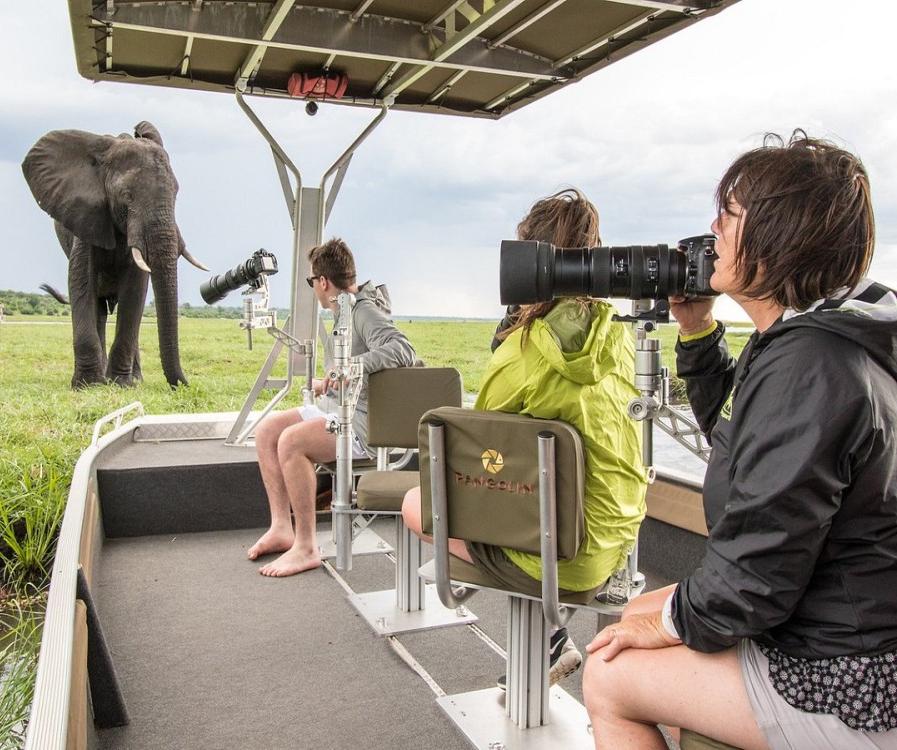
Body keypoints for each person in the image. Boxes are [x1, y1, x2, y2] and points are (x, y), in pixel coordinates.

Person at [582, 132, 897, 750]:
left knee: (608, 675)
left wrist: (673, 623)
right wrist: (697, 330)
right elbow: (742, 438)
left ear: (776, 236)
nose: (712, 230)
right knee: (636, 618)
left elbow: (758, 574)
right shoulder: (821, 339)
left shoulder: (810, 364)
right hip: (836, 621)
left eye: (728, 214)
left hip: (848, 672)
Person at [402, 188, 648, 688]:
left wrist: (515, 328)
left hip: (553, 555)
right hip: (617, 546)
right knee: (536, 502)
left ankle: (546, 638)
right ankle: (549, 641)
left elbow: (478, 447)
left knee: (417, 501)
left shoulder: (518, 354)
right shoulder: (625, 342)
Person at [247, 237, 417, 577]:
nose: (313, 287)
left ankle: (307, 546)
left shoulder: (362, 309)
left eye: (312, 281)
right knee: (267, 431)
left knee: (291, 442)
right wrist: (332, 381)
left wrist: (352, 367)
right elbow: (357, 368)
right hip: (338, 409)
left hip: (360, 425)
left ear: (323, 282)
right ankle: (282, 527)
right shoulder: (345, 310)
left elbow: (403, 350)